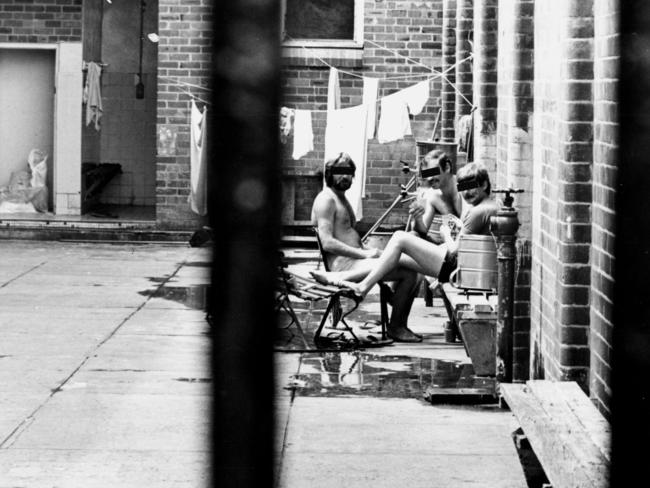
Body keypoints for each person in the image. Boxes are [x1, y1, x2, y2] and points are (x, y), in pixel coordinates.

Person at [311, 161, 500, 299]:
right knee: (400, 252)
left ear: (484, 185)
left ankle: (362, 286)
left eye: (471, 188)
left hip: (456, 268)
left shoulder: (477, 211)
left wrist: (445, 234)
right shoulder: (486, 205)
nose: (466, 193)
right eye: (464, 188)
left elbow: (455, 250)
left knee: (400, 238)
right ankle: (386, 304)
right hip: (463, 264)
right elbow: (423, 229)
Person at [311, 152, 423, 343]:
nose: (345, 177)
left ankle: (396, 308)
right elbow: (327, 242)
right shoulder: (326, 199)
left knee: (413, 270)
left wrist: (370, 251)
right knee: (410, 273)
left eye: (348, 172)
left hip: (357, 261)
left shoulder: (341, 198)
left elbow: (347, 236)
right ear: (329, 174)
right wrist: (364, 254)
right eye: (340, 172)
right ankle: (396, 324)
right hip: (344, 268)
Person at [409, 149, 463, 244]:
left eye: (433, 172)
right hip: (452, 244)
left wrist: (446, 233)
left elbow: (472, 230)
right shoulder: (433, 195)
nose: (429, 179)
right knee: (411, 236)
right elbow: (422, 232)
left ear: (447, 168)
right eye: (427, 174)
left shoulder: (465, 185)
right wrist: (418, 219)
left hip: (472, 247)